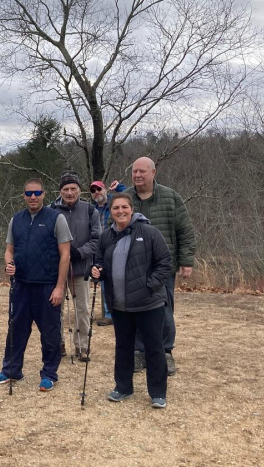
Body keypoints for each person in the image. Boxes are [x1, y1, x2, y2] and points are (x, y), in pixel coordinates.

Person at [0, 179, 72, 392]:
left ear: (44, 194)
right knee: (16, 329)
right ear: (23, 195)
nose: (33, 197)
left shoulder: (56, 218)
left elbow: (65, 255)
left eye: (37, 193)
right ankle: (11, 370)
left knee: (50, 332)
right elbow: (9, 249)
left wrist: (60, 287)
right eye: (29, 193)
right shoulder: (16, 220)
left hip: (47, 285)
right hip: (21, 285)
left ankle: (49, 374)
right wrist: (9, 264)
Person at [91, 193, 172, 408]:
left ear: (131, 209)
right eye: (116, 208)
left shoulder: (149, 232)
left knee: (154, 347)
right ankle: (123, 387)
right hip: (119, 304)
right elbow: (99, 263)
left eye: (124, 207)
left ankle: (158, 393)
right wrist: (96, 271)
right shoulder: (106, 236)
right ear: (111, 211)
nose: (120, 211)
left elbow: (165, 262)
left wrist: (149, 286)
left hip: (149, 303)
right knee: (123, 347)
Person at [125, 156, 196, 375]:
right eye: (135, 171)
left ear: (153, 173)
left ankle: (165, 351)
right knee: (134, 311)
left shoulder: (170, 197)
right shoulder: (125, 197)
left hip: (163, 267)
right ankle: (139, 352)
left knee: (163, 311)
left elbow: (185, 230)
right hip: (132, 268)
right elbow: (112, 231)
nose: (137, 175)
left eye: (142, 172)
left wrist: (186, 260)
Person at [50, 172, 100, 361]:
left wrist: (78, 253)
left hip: (81, 269)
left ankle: (82, 346)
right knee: (56, 308)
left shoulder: (90, 210)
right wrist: (61, 255)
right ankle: (58, 343)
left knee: (83, 309)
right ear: (60, 191)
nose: (70, 192)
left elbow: (97, 240)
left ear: (79, 190)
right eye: (65, 189)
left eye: (73, 189)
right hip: (57, 271)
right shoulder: (51, 210)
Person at [91, 179, 125, 327]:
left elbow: (130, 199)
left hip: (117, 245)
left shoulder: (113, 203)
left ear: (105, 190)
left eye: (99, 189)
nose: (96, 192)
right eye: (93, 191)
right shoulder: (91, 209)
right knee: (104, 282)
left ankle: (119, 312)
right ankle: (108, 313)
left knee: (119, 280)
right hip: (98, 249)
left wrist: (119, 188)